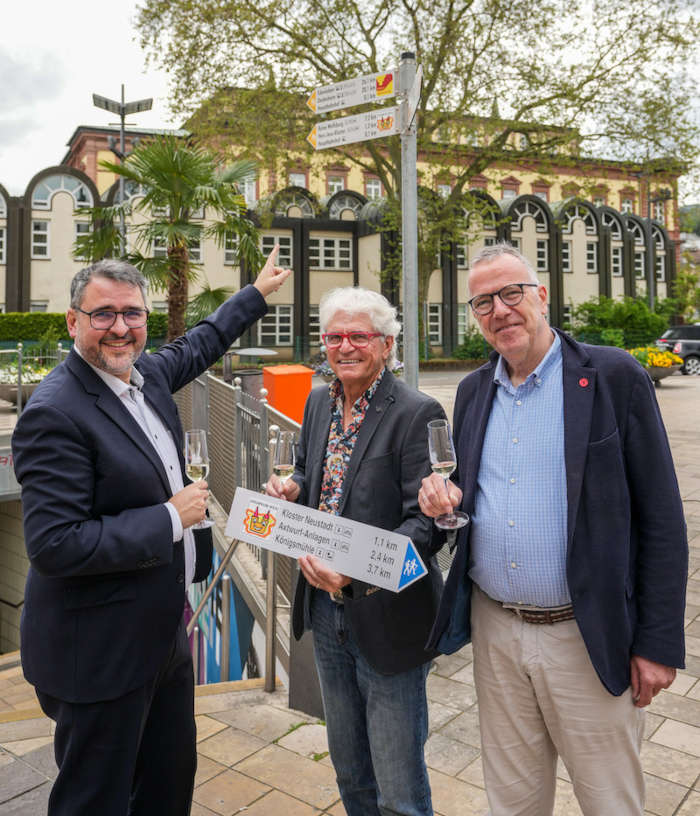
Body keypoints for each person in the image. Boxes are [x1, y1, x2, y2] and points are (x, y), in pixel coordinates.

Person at [12, 250, 291, 816]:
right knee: (97, 798)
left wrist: (255, 295)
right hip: (98, 651)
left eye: (133, 314)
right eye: (103, 314)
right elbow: (54, 544)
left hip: (163, 634)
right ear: (73, 322)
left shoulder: (147, 377)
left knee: (168, 782)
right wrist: (171, 517)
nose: (120, 327)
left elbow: (200, 342)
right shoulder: (54, 411)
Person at [418, 243, 687, 815]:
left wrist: (658, 644)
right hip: (496, 630)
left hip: (585, 634)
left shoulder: (612, 376)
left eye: (511, 293)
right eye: (483, 301)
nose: (500, 310)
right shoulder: (473, 390)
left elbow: (662, 517)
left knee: (610, 801)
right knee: (512, 801)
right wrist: (439, 498)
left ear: (541, 295)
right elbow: (466, 493)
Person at [265, 286, 445, 816]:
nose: (345, 347)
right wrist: (294, 487)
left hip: (388, 614)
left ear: (386, 344)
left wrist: (356, 571)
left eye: (359, 336)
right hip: (324, 613)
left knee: (398, 788)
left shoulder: (416, 411)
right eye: (334, 336)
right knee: (350, 770)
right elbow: (312, 473)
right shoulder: (320, 400)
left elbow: (428, 526)